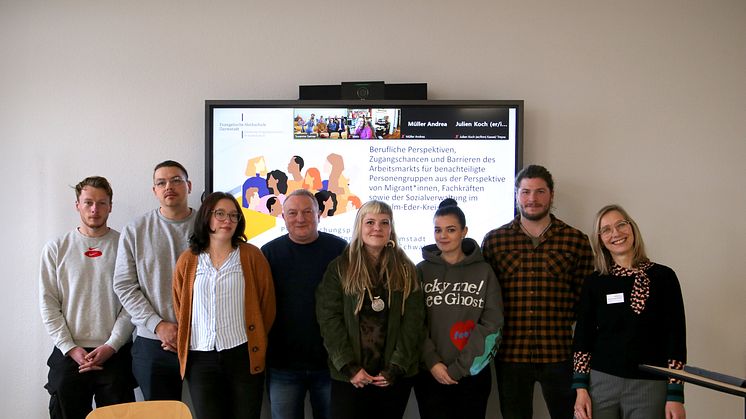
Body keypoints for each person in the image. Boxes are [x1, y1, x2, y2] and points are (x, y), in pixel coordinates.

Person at [481, 164, 594, 419]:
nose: (532, 199)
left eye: (540, 192)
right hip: (510, 354)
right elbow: (487, 299)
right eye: (526, 192)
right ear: (516, 195)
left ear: (551, 195)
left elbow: (585, 301)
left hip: (559, 353)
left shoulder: (575, 240)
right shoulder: (494, 240)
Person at [572, 204, 686, 419]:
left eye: (621, 225)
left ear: (632, 228)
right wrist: (580, 388)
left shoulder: (664, 277)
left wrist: (675, 395)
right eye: (606, 229)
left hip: (649, 386)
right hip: (600, 384)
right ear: (600, 240)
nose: (615, 233)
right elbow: (583, 337)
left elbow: (676, 338)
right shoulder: (595, 282)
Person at [316, 200, 425, 419]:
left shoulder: (406, 269)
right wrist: (348, 367)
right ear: (359, 227)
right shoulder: (340, 268)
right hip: (351, 377)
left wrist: (396, 366)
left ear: (391, 229)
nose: (377, 228)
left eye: (384, 222)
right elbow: (329, 319)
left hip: (392, 377)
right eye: (370, 222)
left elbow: (414, 321)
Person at [172, 192, 276, 419]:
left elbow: (266, 305)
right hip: (200, 357)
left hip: (243, 353)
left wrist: (257, 335)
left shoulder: (251, 256)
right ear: (206, 217)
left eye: (233, 216)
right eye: (220, 214)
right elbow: (181, 306)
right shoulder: (188, 260)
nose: (227, 220)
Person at [39, 176, 135, 419]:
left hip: (115, 351)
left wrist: (112, 345)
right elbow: (48, 304)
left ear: (111, 206)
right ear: (77, 205)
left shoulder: (125, 245)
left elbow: (131, 301)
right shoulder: (56, 248)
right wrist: (70, 348)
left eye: (102, 203)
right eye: (88, 202)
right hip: (69, 352)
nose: (95, 209)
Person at [113, 160, 197, 400]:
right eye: (161, 182)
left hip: (202, 341)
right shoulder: (135, 230)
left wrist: (189, 332)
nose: (168, 186)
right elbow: (124, 284)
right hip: (153, 342)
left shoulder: (208, 226)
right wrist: (159, 326)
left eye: (176, 180)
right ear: (154, 190)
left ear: (189, 186)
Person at [414, 199, 504, 419]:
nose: (443, 236)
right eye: (438, 230)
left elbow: (493, 323)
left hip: (472, 376)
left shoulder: (484, 271)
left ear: (464, 231)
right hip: (430, 374)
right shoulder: (421, 271)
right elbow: (413, 322)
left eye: (451, 229)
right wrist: (433, 362)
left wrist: (458, 369)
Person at [261, 189, 347, 419]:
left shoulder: (340, 250)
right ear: (283, 217)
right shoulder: (268, 253)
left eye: (308, 211)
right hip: (282, 364)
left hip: (332, 363)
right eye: (293, 212)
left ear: (319, 214)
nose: (300, 218)